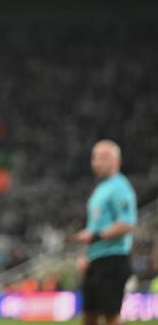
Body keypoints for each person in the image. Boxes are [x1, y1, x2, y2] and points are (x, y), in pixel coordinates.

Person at [72, 139, 137, 325]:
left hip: (113, 259)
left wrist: (96, 236)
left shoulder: (120, 187)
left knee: (111, 316)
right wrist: (87, 255)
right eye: (95, 157)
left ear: (117, 161)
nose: (97, 162)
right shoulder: (101, 189)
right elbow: (95, 227)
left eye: (104, 157)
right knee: (89, 316)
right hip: (96, 260)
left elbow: (127, 223)